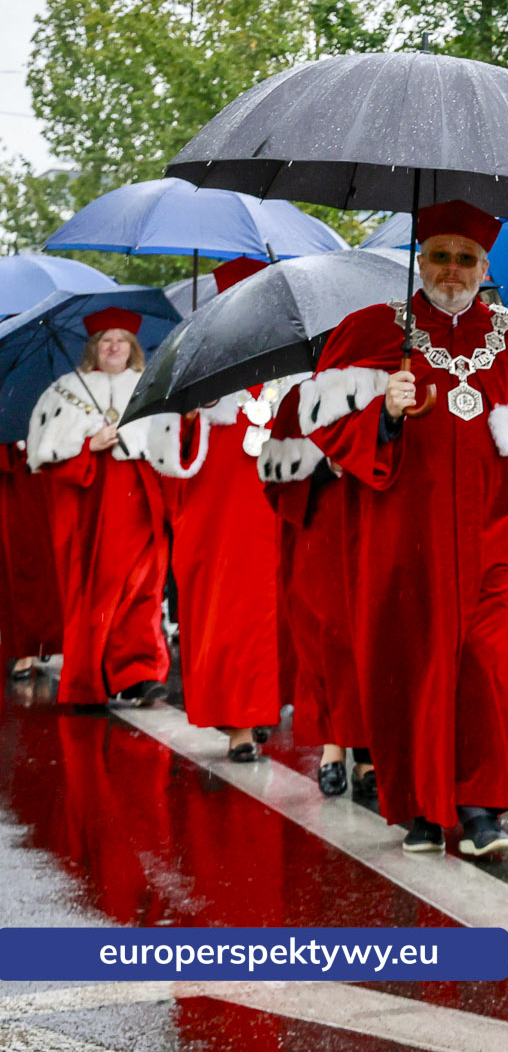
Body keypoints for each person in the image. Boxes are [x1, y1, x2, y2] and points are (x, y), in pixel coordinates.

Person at [302, 200, 508, 858]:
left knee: (482, 668)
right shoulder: (370, 332)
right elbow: (324, 425)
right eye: (441, 256)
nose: (453, 270)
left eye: (467, 259)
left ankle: (480, 810)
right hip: (398, 532)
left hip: (488, 533)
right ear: (421, 259)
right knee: (407, 663)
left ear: (485, 265)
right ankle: (418, 807)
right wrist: (382, 416)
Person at [149, 257, 286, 762]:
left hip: (277, 505)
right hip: (221, 514)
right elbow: (168, 455)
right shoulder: (196, 366)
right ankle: (240, 724)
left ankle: (260, 707)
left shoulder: (290, 364)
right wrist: (183, 416)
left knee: (278, 614)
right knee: (232, 615)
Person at [26, 308, 173, 708]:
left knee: (143, 588)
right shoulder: (65, 391)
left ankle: (138, 674)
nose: (114, 347)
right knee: (98, 592)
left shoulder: (151, 386)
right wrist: (87, 447)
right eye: (106, 339)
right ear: (94, 346)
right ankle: (89, 679)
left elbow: (169, 447)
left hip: (140, 500)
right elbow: (46, 456)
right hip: (91, 505)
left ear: (133, 348)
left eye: (122, 340)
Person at [261, 377, 373, 801]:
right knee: (326, 640)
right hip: (322, 532)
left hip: (374, 527)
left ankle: (367, 751)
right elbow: (275, 481)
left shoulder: (391, 382)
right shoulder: (299, 398)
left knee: (371, 639)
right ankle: (333, 747)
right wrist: (324, 468)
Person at [0, 435, 64, 683]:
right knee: (19, 556)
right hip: (15, 468)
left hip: (47, 463)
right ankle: (26, 645)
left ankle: (47, 640)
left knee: (51, 556)